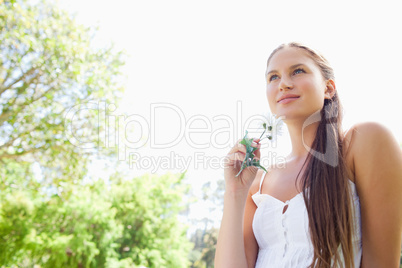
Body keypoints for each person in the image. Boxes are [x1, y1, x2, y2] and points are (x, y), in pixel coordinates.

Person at [214, 42, 402, 268]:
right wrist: (235, 192)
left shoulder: (365, 141)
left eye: (298, 71)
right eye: (273, 77)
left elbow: (382, 263)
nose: (283, 84)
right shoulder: (259, 182)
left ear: (328, 88)